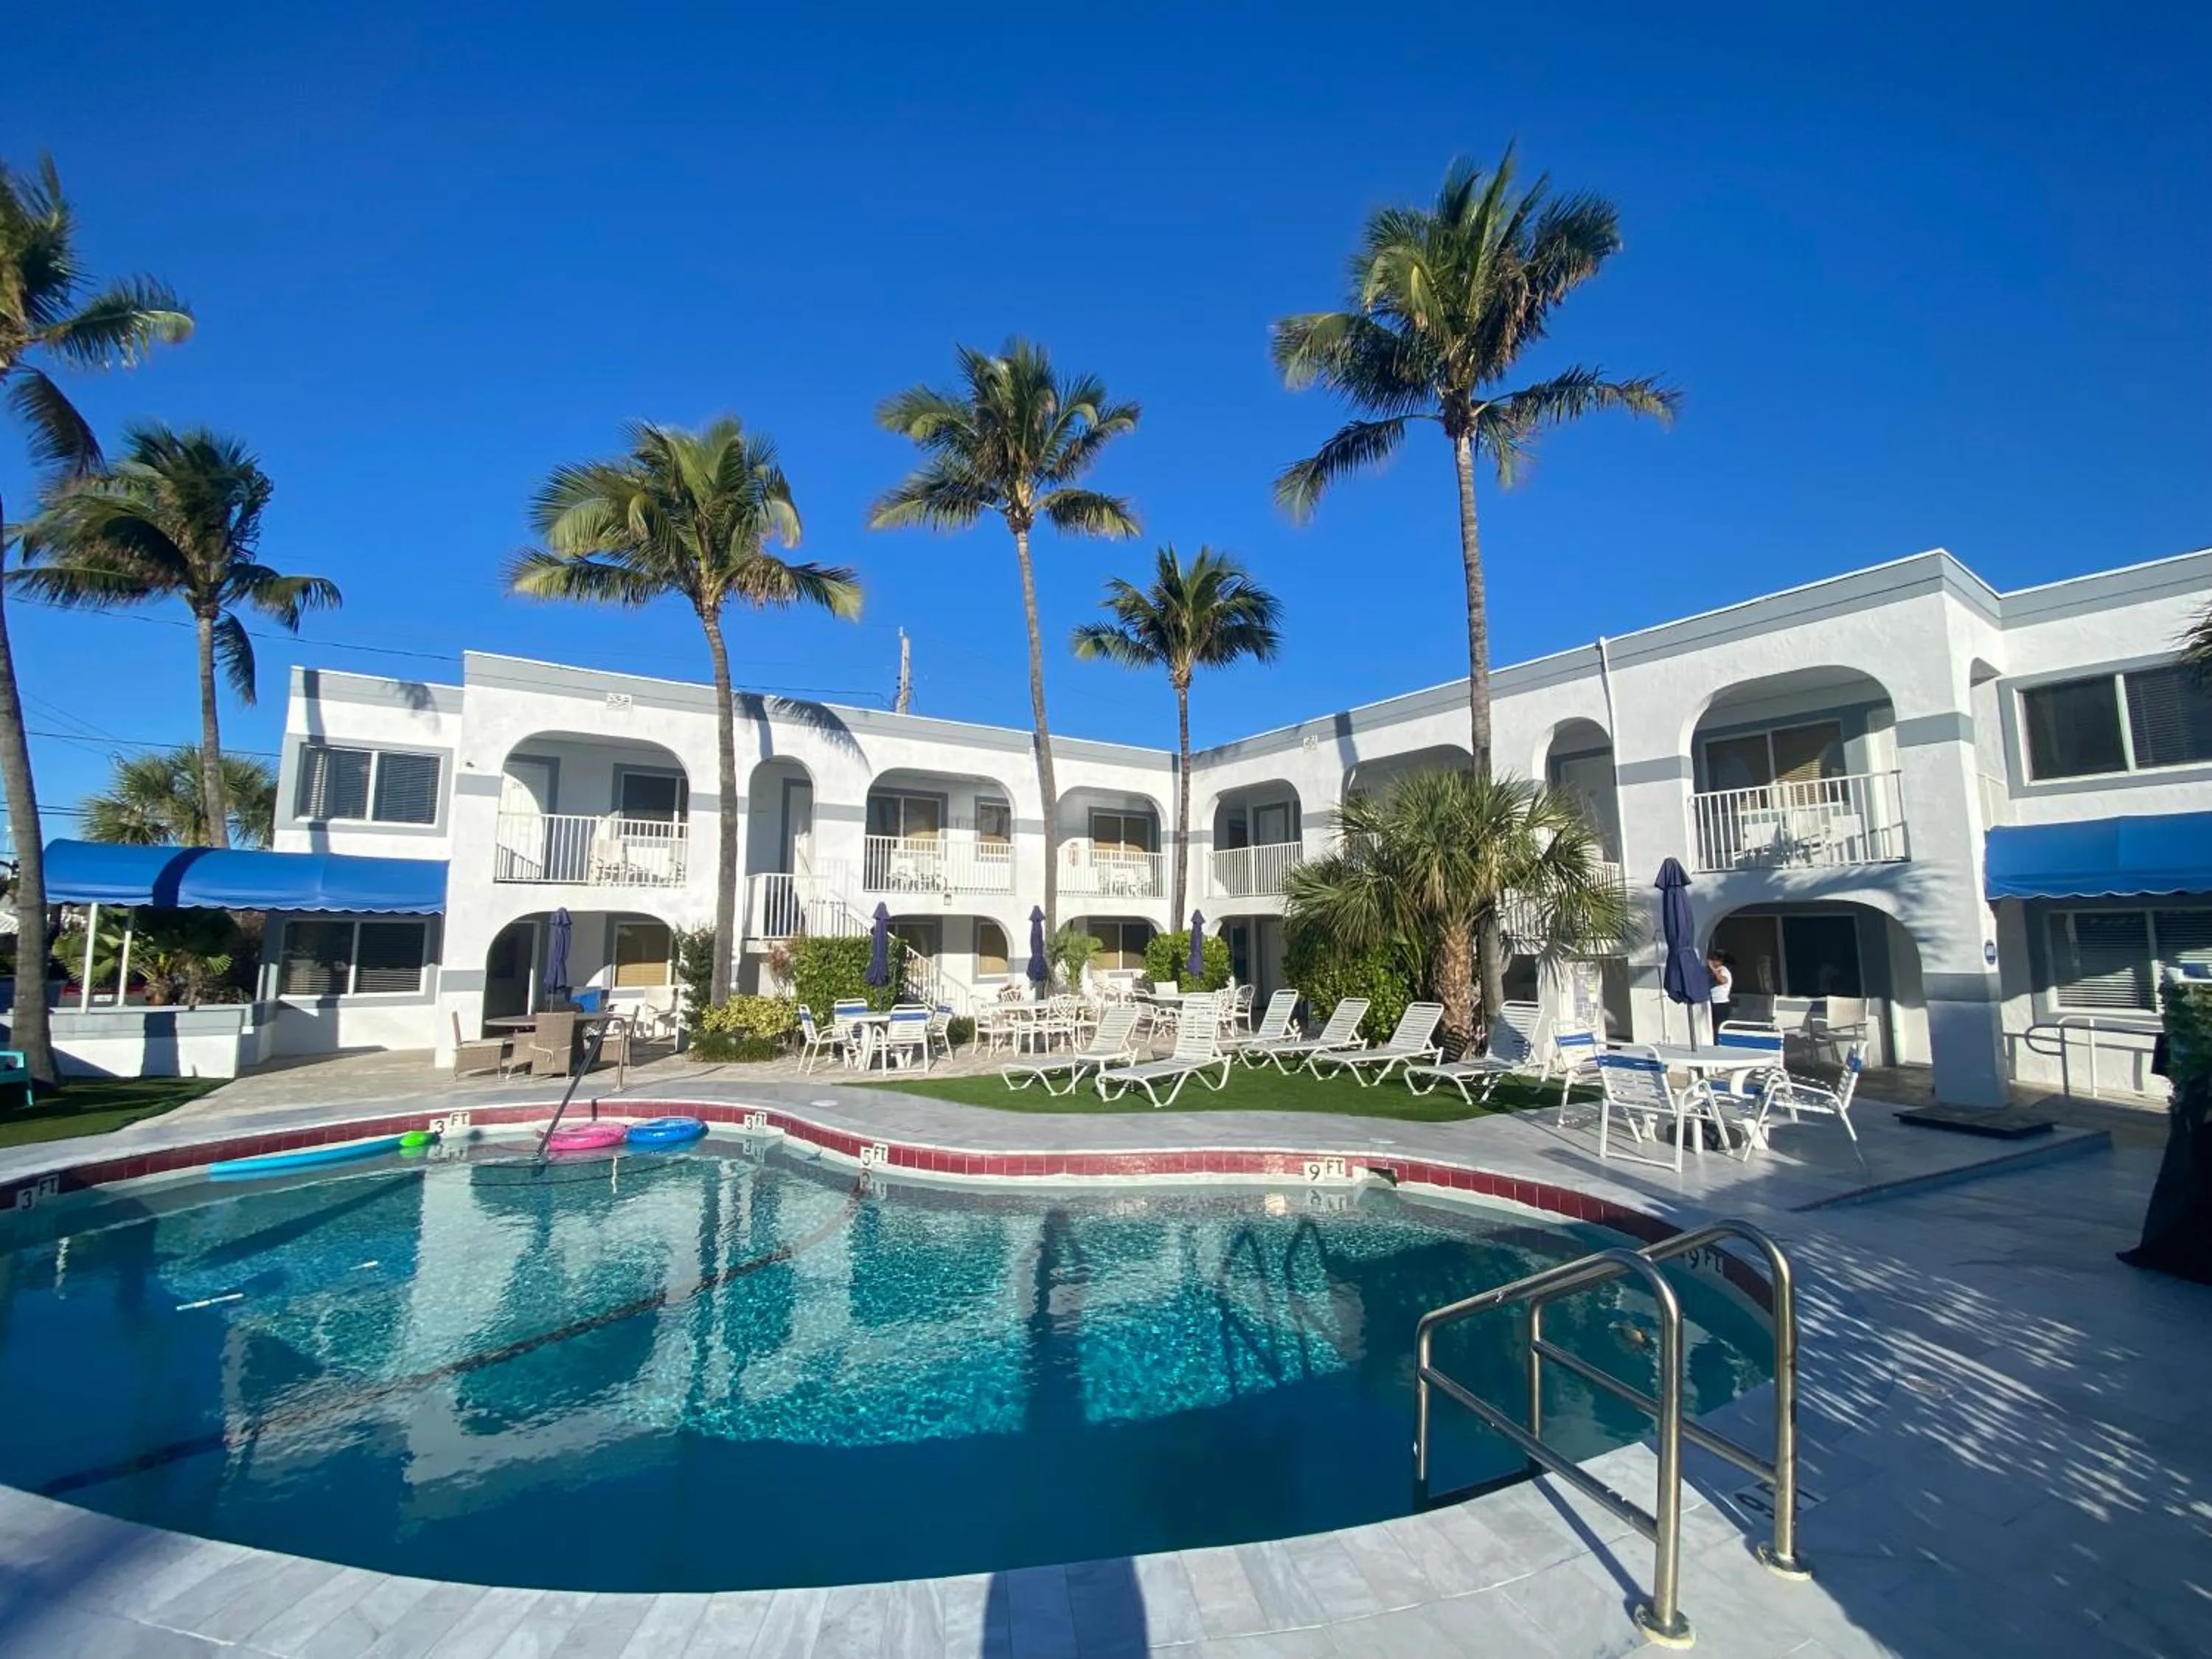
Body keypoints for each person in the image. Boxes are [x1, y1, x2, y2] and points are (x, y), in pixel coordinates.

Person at [1705, 951, 1735, 1038]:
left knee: (1719, 1029)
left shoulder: (1723, 970)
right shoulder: (1712, 972)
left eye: (1714, 960)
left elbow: (1723, 980)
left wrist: (1713, 969)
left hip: (1721, 1004)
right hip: (1712, 1003)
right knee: (1712, 1028)